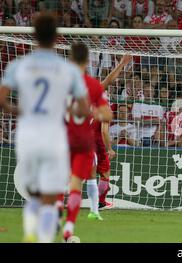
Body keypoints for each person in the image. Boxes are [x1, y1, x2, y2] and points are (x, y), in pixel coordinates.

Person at [0, 13, 90, 243]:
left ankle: (30, 232)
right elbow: (84, 108)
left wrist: (17, 110)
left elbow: (2, 100)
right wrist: (67, 111)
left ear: (34, 36)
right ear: (57, 38)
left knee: (35, 197)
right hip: (54, 137)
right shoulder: (67, 69)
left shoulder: (18, 65)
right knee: (50, 199)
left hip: (28, 135)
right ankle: (43, 239)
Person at [62, 42, 113, 241]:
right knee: (77, 183)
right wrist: (91, 110)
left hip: (60, 138)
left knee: (58, 182)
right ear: (87, 60)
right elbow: (107, 114)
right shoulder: (92, 85)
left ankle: (56, 215)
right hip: (83, 141)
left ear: (70, 59)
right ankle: (68, 230)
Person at [92, 54, 132, 210]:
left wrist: (121, 64)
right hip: (96, 143)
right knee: (105, 173)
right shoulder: (104, 108)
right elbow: (104, 131)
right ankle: (101, 201)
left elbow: (108, 80)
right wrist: (109, 148)